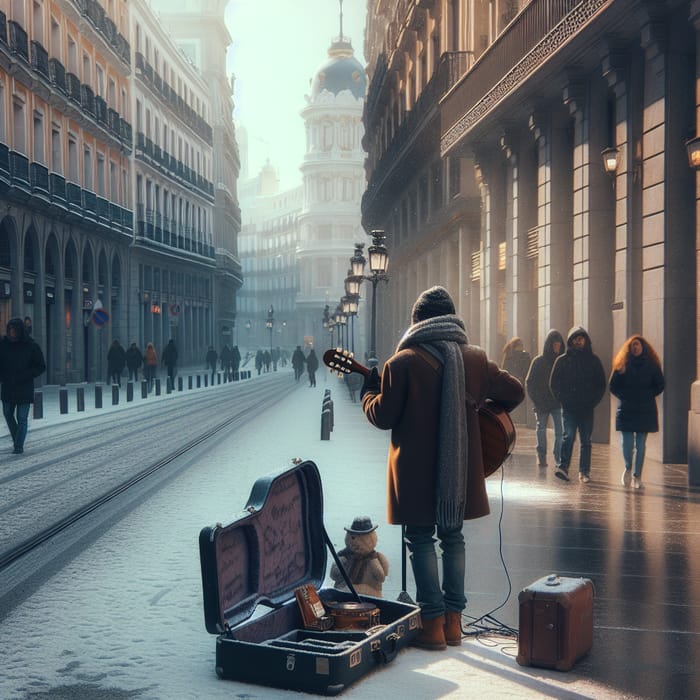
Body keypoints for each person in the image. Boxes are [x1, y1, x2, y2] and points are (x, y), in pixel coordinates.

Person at [360, 286, 524, 650]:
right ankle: (454, 623)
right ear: (451, 318)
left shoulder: (400, 363)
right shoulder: (475, 358)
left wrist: (368, 394)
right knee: (453, 537)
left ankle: (431, 624)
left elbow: (384, 416)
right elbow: (514, 392)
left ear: (417, 321)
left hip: (415, 472)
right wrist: (475, 405)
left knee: (420, 539)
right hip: (459, 470)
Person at [549, 326, 606, 484]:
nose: (579, 341)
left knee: (586, 440)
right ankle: (563, 467)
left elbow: (601, 384)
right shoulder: (562, 360)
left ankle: (584, 471)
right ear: (571, 341)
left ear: (586, 340)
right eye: (576, 338)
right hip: (569, 408)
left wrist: (592, 401)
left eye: (581, 338)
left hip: (587, 408)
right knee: (568, 436)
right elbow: (554, 383)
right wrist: (563, 399)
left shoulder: (594, 361)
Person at [609, 335, 665, 490]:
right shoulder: (622, 365)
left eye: (638, 345)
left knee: (640, 444)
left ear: (643, 347)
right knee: (626, 443)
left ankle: (637, 475)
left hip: (645, 409)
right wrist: (624, 396)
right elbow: (613, 385)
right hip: (627, 408)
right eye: (633, 345)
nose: (635, 347)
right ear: (629, 348)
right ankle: (628, 467)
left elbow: (660, 384)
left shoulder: (652, 365)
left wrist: (647, 395)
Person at [0, 317, 46, 454]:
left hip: (24, 387)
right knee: (8, 414)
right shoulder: (3, 345)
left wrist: (28, 375)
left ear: (20, 331)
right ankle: (17, 439)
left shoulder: (31, 346)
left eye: (14, 330)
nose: (12, 332)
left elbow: (41, 366)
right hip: (8, 387)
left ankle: (18, 445)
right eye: (10, 330)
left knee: (22, 418)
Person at [525, 330, 565, 468]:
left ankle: (558, 457)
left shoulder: (562, 361)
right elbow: (530, 382)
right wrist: (537, 400)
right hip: (542, 403)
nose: (557, 347)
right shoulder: (538, 361)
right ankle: (541, 455)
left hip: (557, 402)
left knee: (560, 431)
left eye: (559, 344)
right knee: (541, 429)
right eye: (554, 344)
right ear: (549, 345)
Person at [501, 337, 531, 424]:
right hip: (516, 382)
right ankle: (519, 419)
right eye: (520, 345)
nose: (522, 347)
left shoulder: (510, 355)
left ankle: (518, 419)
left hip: (514, 382)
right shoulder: (513, 355)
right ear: (515, 346)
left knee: (517, 401)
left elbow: (505, 369)